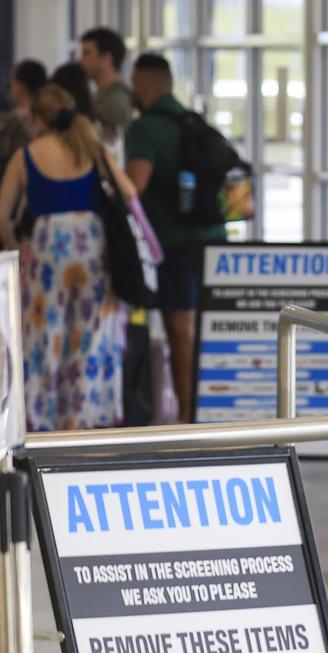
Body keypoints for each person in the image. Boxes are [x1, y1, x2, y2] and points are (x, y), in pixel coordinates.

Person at [0, 84, 136, 430]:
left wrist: (15, 247)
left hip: (46, 253)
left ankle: (44, 419)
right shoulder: (92, 150)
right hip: (93, 251)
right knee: (90, 334)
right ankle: (84, 417)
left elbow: (2, 214)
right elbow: (130, 192)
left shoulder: (27, 155)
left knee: (46, 335)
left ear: (37, 118)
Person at [125, 53, 227, 423]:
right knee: (202, 327)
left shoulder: (145, 128)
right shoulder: (192, 121)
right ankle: (205, 410)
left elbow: (135, 183)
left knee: (180, 330)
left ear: (145, 84)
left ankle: (187, 417)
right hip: (214, 237)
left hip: (175, 241)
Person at [79, 27, 132, 140]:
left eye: (86, 53)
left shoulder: (115, 102)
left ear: (106, 58)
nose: (81, 60)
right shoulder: (100, 97)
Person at [0, 60, 47, 176]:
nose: (10, 85)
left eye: (13, 81)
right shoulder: (47, 119)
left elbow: (4, 155)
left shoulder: (13, 120)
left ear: (22, 87)